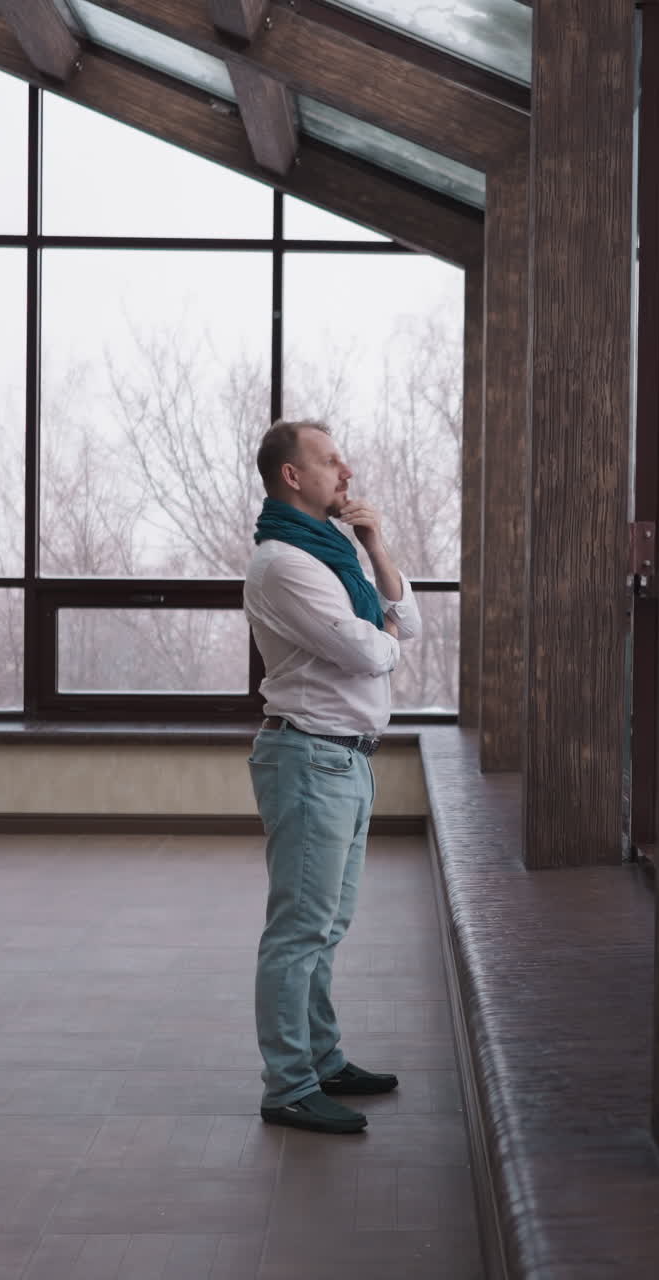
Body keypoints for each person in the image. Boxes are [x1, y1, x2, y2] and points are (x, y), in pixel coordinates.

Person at [243, 419, 421, 1134]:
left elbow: (406, 622)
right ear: (292, 476)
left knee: (327, 925)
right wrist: (386, 635)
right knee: (299, 929)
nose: (346, 472)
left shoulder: (337, 553)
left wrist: (376, 547)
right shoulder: (285, 564)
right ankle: (288, 1086)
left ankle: (321, 1059)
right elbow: (371, 654)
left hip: (345, 757)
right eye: (331, 460)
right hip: (311, 758)